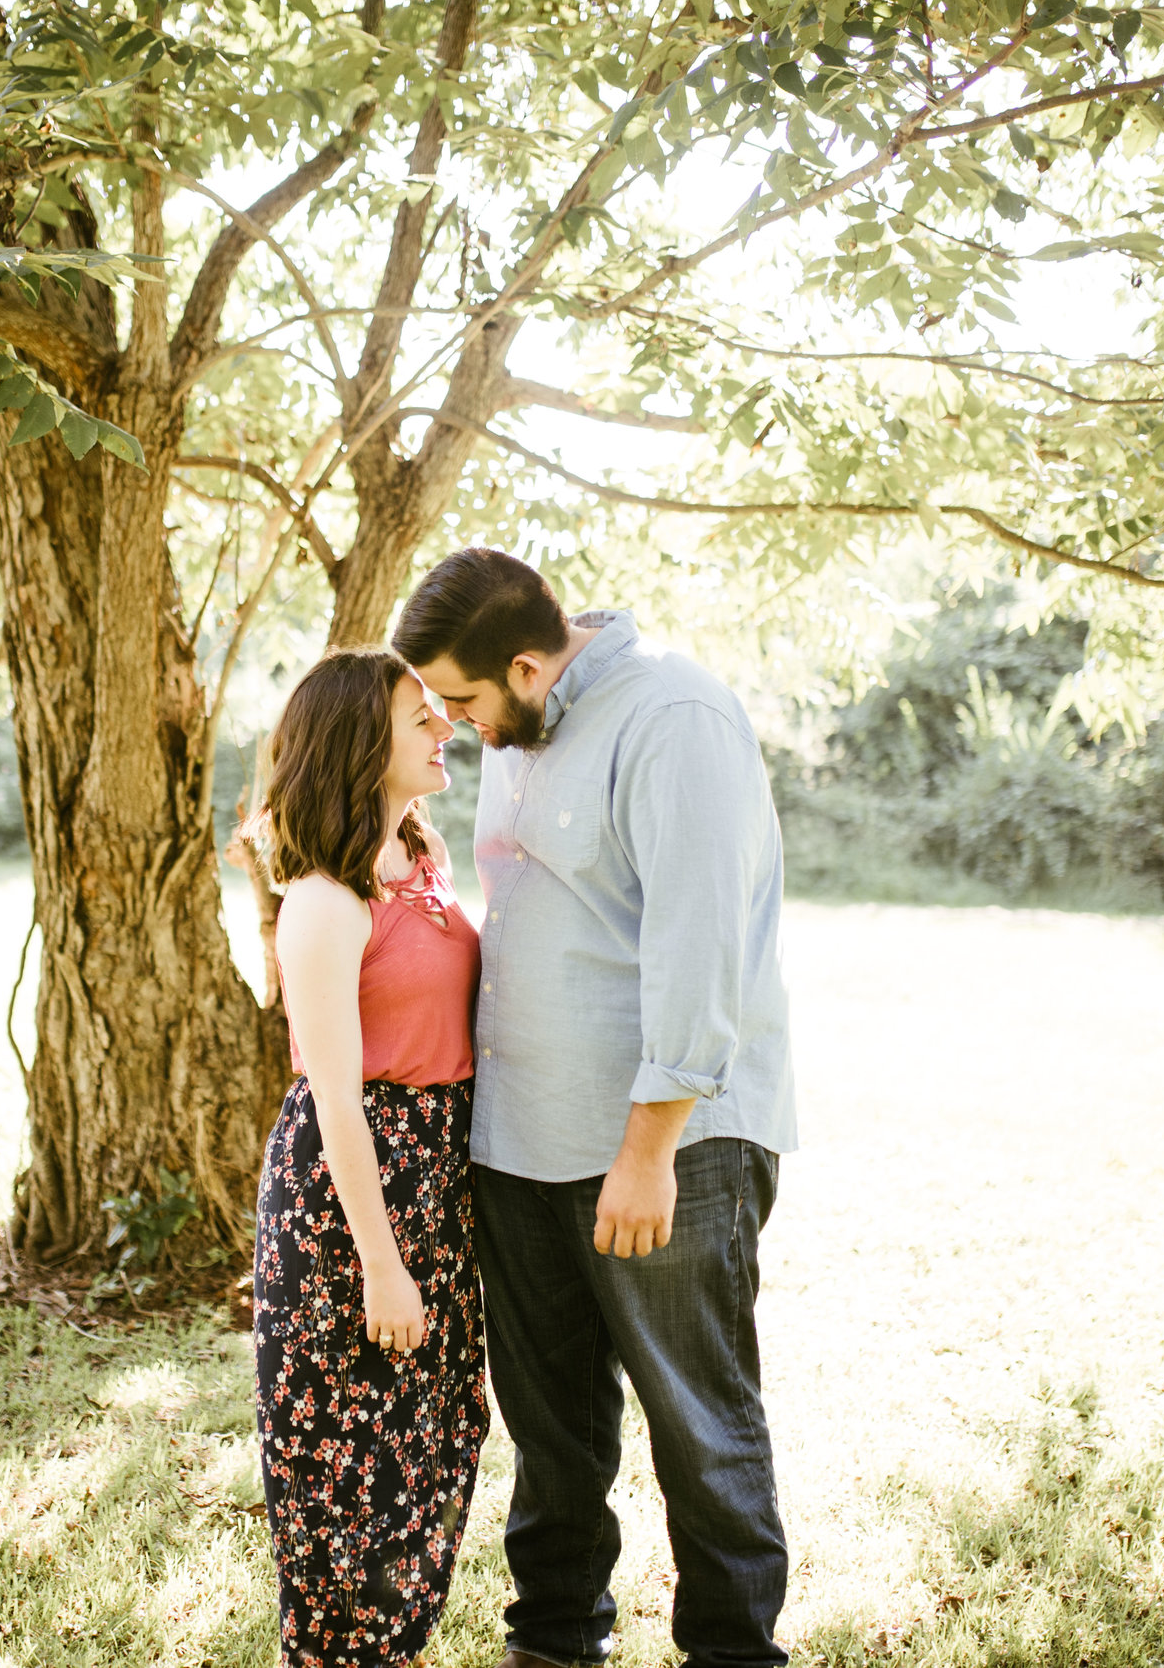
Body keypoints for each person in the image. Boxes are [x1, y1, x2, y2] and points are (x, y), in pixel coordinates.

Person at [392, 548, 797, 1668]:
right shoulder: (523, 725)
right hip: (521, 1138)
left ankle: (730, 1651)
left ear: (525, 663)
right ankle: (556, 1640)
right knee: (553, 1426)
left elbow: (699, 946)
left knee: (697, 1425)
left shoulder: (674, 716)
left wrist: (647, 1147)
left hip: (664, 1146)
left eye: (466, 701)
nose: (458, 725)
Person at [248, 646, 491, 1668]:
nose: (444, 729)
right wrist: (382, 1262)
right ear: (361, 739)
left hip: (438, 1178)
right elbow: (334, 1096)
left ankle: (395, 1648)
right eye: (420, 716)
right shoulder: (322, 899)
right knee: (349, 1471)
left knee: (436, 1439)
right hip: (350, 1199)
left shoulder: (421, 863)